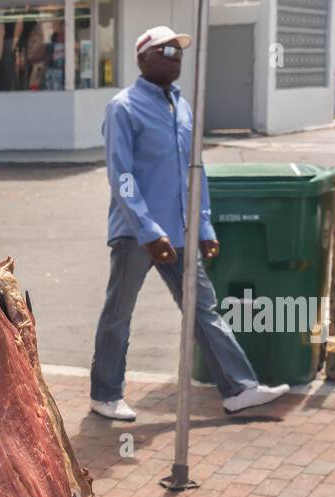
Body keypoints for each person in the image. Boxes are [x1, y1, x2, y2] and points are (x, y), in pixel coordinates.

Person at [90, 26, 289, 422]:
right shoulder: (123, 107)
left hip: (180, 232)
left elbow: (193, 173)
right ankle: (105, 394)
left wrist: (204, 227)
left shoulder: (181, 106)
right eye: (166, 49)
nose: (176, 56)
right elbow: (122, 176)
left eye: (179, 50)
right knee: (119, 313)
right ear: (143, 57)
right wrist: (148, 232)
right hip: (137, 234)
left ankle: (239, 389)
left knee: (203, 309)